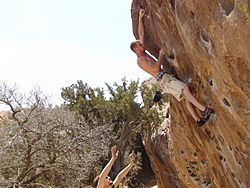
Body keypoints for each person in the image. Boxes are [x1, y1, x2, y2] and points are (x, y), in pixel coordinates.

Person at [130, 9, 214, 126]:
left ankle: (198, 120)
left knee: (186, 95)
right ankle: (204, 109)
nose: (142, 45)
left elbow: (141, 34)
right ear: (136, 49)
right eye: (139, 45)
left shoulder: (142, 53)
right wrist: (160, 56)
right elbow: (154, 69)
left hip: (165, 78)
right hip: (164, 80)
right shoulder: (141, 60)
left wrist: (140, 18)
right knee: (184, 89)